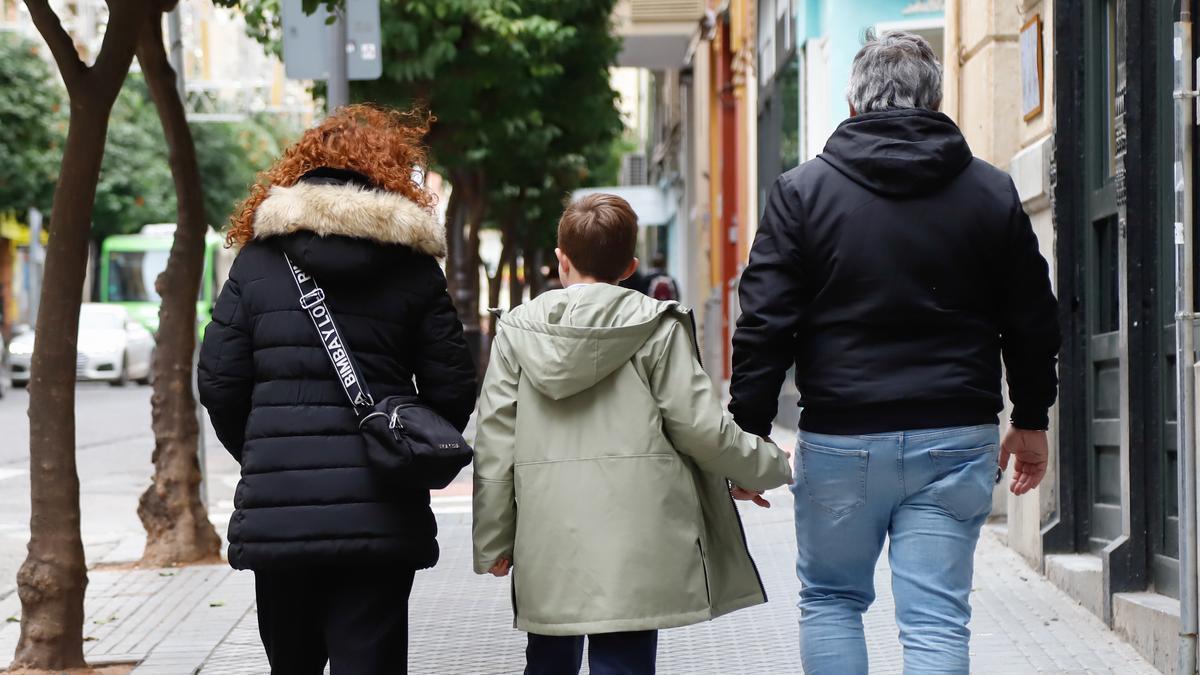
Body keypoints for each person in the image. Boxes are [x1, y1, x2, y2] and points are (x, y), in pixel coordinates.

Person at [729, 31, 1061, 674]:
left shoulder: (801, 193)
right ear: (936, 102)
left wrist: (746, 434)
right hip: (955, 435)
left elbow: (764, 323)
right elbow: (1032, 317)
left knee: (830, 600)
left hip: (841, 436)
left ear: (852, 107)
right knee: (936, 619)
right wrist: (1029, 418)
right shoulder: (989, 192)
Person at [197, 104, 476, 675]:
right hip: (382, 507)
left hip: (280, 513)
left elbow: (219, 381)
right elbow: (452, 385)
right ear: (387, 174)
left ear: (301, 171)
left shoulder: (257, 263)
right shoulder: (413, 267)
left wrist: (265, 451)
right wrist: (406, 445)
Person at [472, 193, 791, 675]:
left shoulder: (517, 334)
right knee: (623, 664)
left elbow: (495, 444)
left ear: (561, 260)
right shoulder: (656, 328)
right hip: (637, 542)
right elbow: (702, 430)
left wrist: (493, 539)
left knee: (548, 662)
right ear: (630, 266)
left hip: (547, 538)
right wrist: (769, 466)